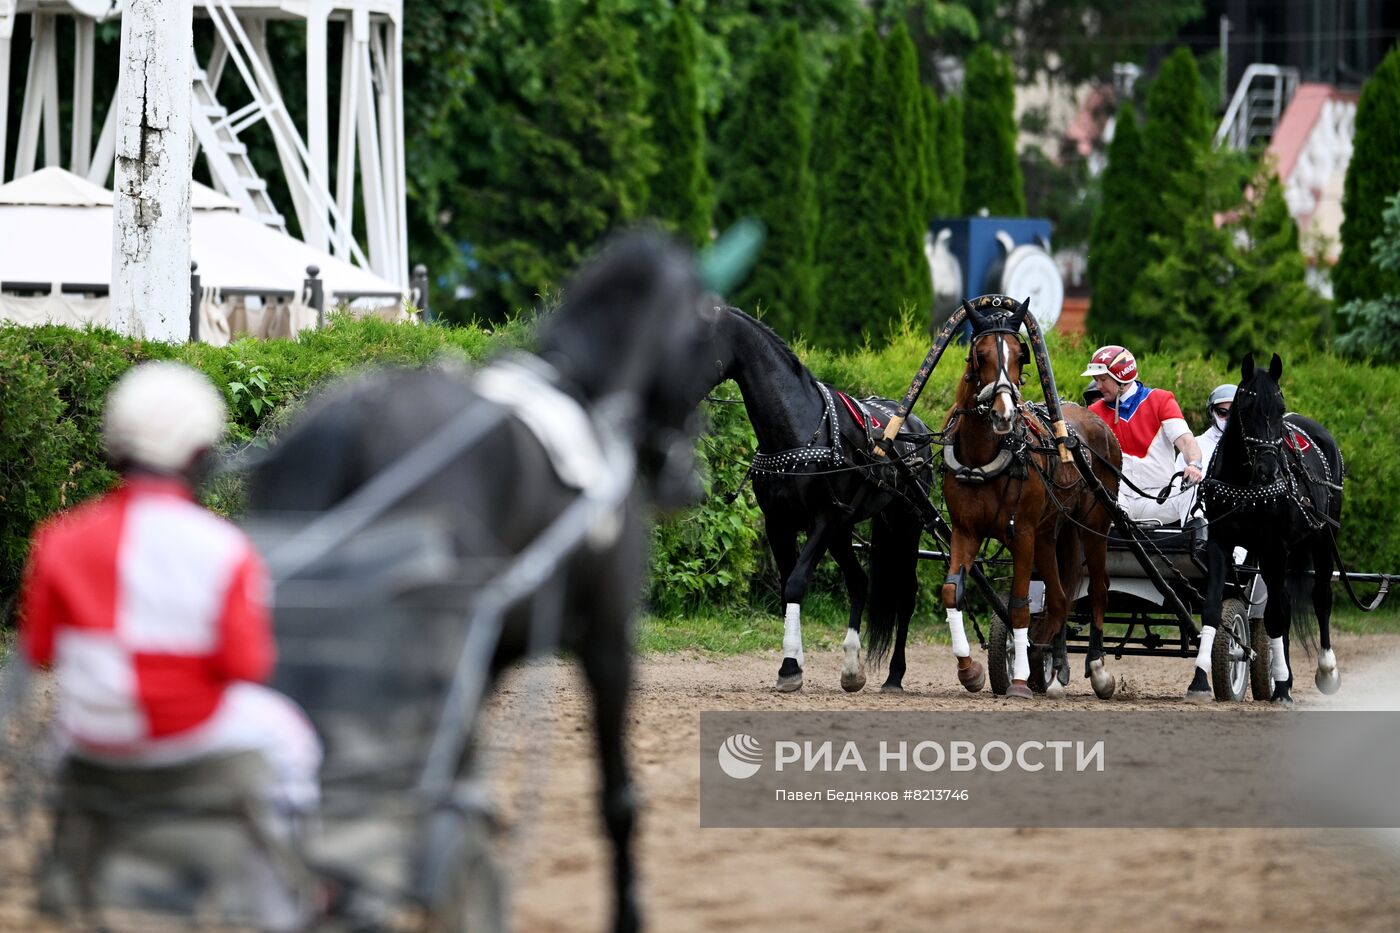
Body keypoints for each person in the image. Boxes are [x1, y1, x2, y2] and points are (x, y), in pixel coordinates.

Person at [18, 362, 321, 922]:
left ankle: (69, 867)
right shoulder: (225, 547)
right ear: (199, 453)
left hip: (88, 738)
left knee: (60, 723)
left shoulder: (59, 539)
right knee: (294, 738)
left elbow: (38, 651)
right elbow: (247, 666)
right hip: (187, 735)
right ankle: (280, 901)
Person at [1082, 345, 1205, 525]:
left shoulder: (1160, 400)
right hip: (1119, 499)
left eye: (1103, 379)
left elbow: (1186, 441)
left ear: (1121, 377)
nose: (1098, 386)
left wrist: (1194, 465)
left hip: (1159, 497)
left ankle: (1197, 550)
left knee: (1193, 489)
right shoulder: (1093, 412)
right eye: (1096, 379)